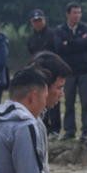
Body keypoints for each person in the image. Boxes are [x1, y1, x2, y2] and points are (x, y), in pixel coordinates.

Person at [55, 2, 87, 142]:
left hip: (85, 70)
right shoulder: (60, 30)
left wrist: (69, 43)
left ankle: (85, 131)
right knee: (68, 101)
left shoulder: (86, 28)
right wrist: (76, 42)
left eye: (79, 13)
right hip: (68, 71)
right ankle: (69, 131)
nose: (77, 15)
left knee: (86, 102)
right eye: (74, 13)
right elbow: (59, 47)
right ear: (68, 14)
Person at [27, 8, 61, 138]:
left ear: (44, 20)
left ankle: (55, 128)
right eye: (35, 21)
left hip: (52, 72)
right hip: (38, 74)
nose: (38, 23)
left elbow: (57, 53)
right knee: (40, 99)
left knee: (55, 99)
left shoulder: (53, 35)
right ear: (32, 22)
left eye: (40, 20)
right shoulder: (31, 39)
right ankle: (44, 126)